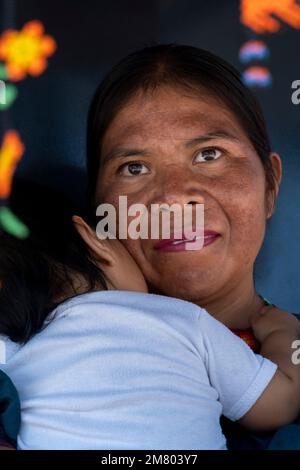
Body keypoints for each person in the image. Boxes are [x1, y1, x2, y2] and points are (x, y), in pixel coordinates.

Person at [85, 43, 300, 448]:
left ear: (270, 185)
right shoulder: (45, 364)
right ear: (98, 210)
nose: (172, 197)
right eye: (134, 168)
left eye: (209, 154)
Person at [0, 194, 300, 449]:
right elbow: (278, 403)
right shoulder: (179, 317)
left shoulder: (8, 349)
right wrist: (284, 333)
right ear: (94, 240)